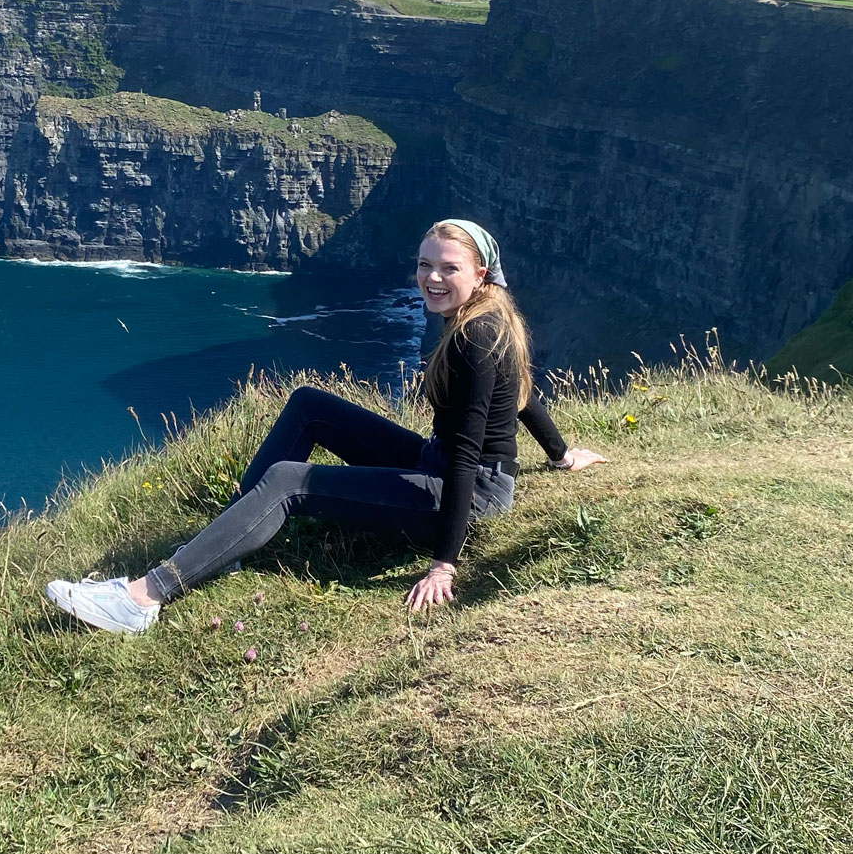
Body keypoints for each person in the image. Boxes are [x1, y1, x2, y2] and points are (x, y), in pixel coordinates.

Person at [44, 219, 605, 634]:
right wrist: (559, 454)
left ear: (479, 273)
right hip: (444, 466)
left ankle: (142, 600)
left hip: (468, 490)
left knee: (290, 481)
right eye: (424, 264)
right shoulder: (485, 315)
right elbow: (523, 396)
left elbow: (464, 454)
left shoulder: (474, 336)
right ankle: (232, 537)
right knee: (310, 403)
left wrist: (444, 563)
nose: (431, 277)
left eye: (448, 268)